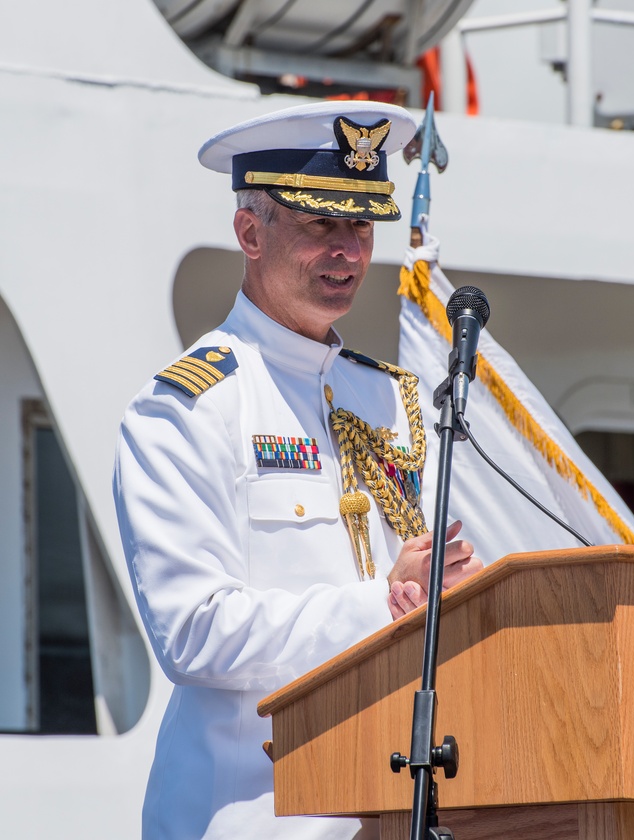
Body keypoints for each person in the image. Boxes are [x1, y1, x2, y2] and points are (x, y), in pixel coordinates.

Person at [113, 100, 482, 840]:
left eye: (360, 225)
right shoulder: (186, 410)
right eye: (321, 225)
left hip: (395, 813)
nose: (347, 251)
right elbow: (195, 634)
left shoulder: (395, 400)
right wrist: (384, 603)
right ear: (251, 232)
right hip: (254, 821)